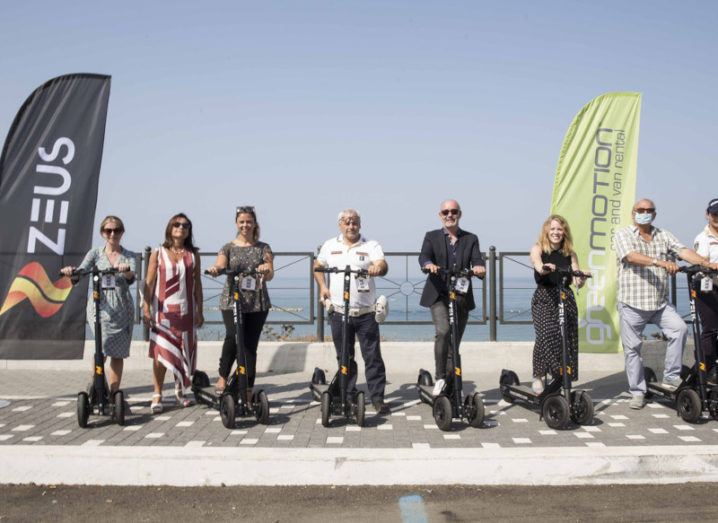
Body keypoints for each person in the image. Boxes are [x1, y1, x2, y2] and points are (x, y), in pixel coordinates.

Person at [613, 198, 718, 409]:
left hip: (659, 302)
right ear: (633, 213)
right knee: (633, 348)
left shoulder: (663, 235)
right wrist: (660, 262)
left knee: (679, 330)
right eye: (640, 210)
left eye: (649, 210)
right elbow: (631, 256)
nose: (645, 212)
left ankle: (670, 376)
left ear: (654, 214)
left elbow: (682, 251)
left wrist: (706, 263)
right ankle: (637, 392)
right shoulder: (622, 234)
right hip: (632, 302)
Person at [314, 209, 390, 414]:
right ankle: (348, 395)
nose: (351, 226)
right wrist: (323, 287)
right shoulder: (330, 245)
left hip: (366, 313)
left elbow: (382, 264)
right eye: (346, 222)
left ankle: (378, 398)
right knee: (345, 357)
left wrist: (377, 268)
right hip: (339, 312)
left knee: (372, 356)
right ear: (340, 224)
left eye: (354, 222)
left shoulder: (370, 245)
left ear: (360, 224)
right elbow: (318, 266)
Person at [61, 215, 136, 401]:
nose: (112, 234)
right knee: (101, 348)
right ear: (102, 233)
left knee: (118, 352)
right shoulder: (95, 253)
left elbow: (131, 277)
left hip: (121, 307)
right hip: (99, 305)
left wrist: (125, 270)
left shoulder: (129, 255)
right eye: (108, 230)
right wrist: (71, 272)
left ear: (122, 232)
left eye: (116, 230)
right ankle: (97, 384)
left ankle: (114, 392)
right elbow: (80, 273)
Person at [207, 206, 273, 405]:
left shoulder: (264, 248)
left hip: (257, 303)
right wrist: (216, 269)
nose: (245, 225)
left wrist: (265, 268)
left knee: (250, 346)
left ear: (254, 223)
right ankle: (222, 375)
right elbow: (220, 263)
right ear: (237, 224)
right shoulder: (228, 247)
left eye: (249, 221)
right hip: (232, 301)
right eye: (242, 221)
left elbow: (270, 273)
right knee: (233, 337)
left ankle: (248, 388)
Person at [419, 199, 485, 396]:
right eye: (445, 212)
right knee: (444, 331)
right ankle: (440, 377)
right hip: (439, 293)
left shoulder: (471, 238)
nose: (449, 215)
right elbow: (424, 257)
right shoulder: (431, 236)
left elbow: (478, 260)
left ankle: (451, 381)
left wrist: (480, 268)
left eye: (453, 211)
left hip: (461, 296)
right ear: (440, 215)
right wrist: (429, 264)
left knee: (454, 342)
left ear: (459, 214)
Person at [143, 213, 204, 413]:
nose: (181, 228)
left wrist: (200, 310)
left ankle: (179, 391)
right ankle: (157, 393)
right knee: (161, 354)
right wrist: (146, 307)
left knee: (184, 352)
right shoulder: (158, 252)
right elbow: (149, 283)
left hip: (186, 311)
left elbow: (197, 285)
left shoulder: (193, 255)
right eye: (177, 224)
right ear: (170, 228)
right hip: (163, 313)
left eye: (186, 225)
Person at [529, 215, 587, 394]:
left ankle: (562, 377)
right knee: (546, 334)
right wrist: (545, 267)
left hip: (565, 296)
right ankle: (539, 375)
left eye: (559, 229)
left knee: (567, 338)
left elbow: (577, 281)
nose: (556, 232)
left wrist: (581, 278)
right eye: (552, 229)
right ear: (546, 230)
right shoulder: (538, 248)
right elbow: (537, 264)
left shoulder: (570, 253)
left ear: (564, 232)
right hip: (545, 297)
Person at [693, 198, 718, 384]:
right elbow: (700, 262)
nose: (717, 217)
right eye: (714, 214)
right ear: (707, 215)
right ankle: (707, 367)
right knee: (710, 328)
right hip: (707, 287)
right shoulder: (703, 238)